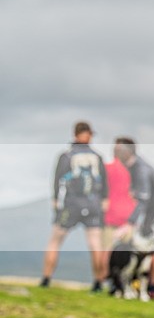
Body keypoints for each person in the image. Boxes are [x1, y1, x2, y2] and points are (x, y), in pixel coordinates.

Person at [41, 121, 108, 292]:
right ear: (89, 135)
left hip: (71, 205)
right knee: (95, 243)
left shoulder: (66, 156)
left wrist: (56, 201)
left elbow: (57, 180)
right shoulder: (98, 157)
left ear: (75, 134)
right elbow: (104, 184)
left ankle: (46, 279)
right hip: (93, 204)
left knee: (55, 241)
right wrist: (103, 201)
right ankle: (98, 282)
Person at [114, 137, 154, 299]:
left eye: (118, 150)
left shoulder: (140, 168)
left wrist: (130, 223)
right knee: (145, 248)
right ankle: (141, 285)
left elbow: (144, 198)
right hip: (153, 210)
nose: (115, 153)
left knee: (147, 248)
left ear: (128, 152)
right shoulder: (134, 166)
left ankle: (152, 286)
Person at [98, 141, 137, 285]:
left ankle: (103, 280)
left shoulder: (106, 169)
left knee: (106, 250)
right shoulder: (131, 171)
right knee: (129, 252)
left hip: (109, 215)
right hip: (128, 216)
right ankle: (124, 282)